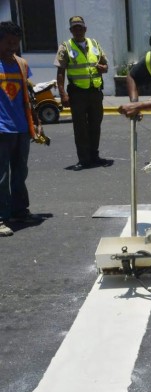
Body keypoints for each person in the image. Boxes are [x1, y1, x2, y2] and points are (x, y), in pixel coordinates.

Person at [0, 21, 42, 236]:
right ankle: (0, 217)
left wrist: (35, 121)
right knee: (1, 176)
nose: (12, 47)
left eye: (15, 43)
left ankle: (19, 211)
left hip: (21, 128)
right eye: (8, 43)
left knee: (19, 173)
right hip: (1, 130)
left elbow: (28, 95)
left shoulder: (22, 64)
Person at [54, 16, 111, 171]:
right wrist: (62, 94)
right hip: (77, 93)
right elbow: (60, 72)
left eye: (80, 27)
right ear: (71, 30)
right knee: (80, 128)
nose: (78, 30)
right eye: (74, 28)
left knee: (95, 125)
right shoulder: (66, 46)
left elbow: (105, 65)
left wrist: (103, 69)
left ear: (85, 29)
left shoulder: (95, 44)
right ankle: (84, 159)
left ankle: (94, 156)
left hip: (95, 92)